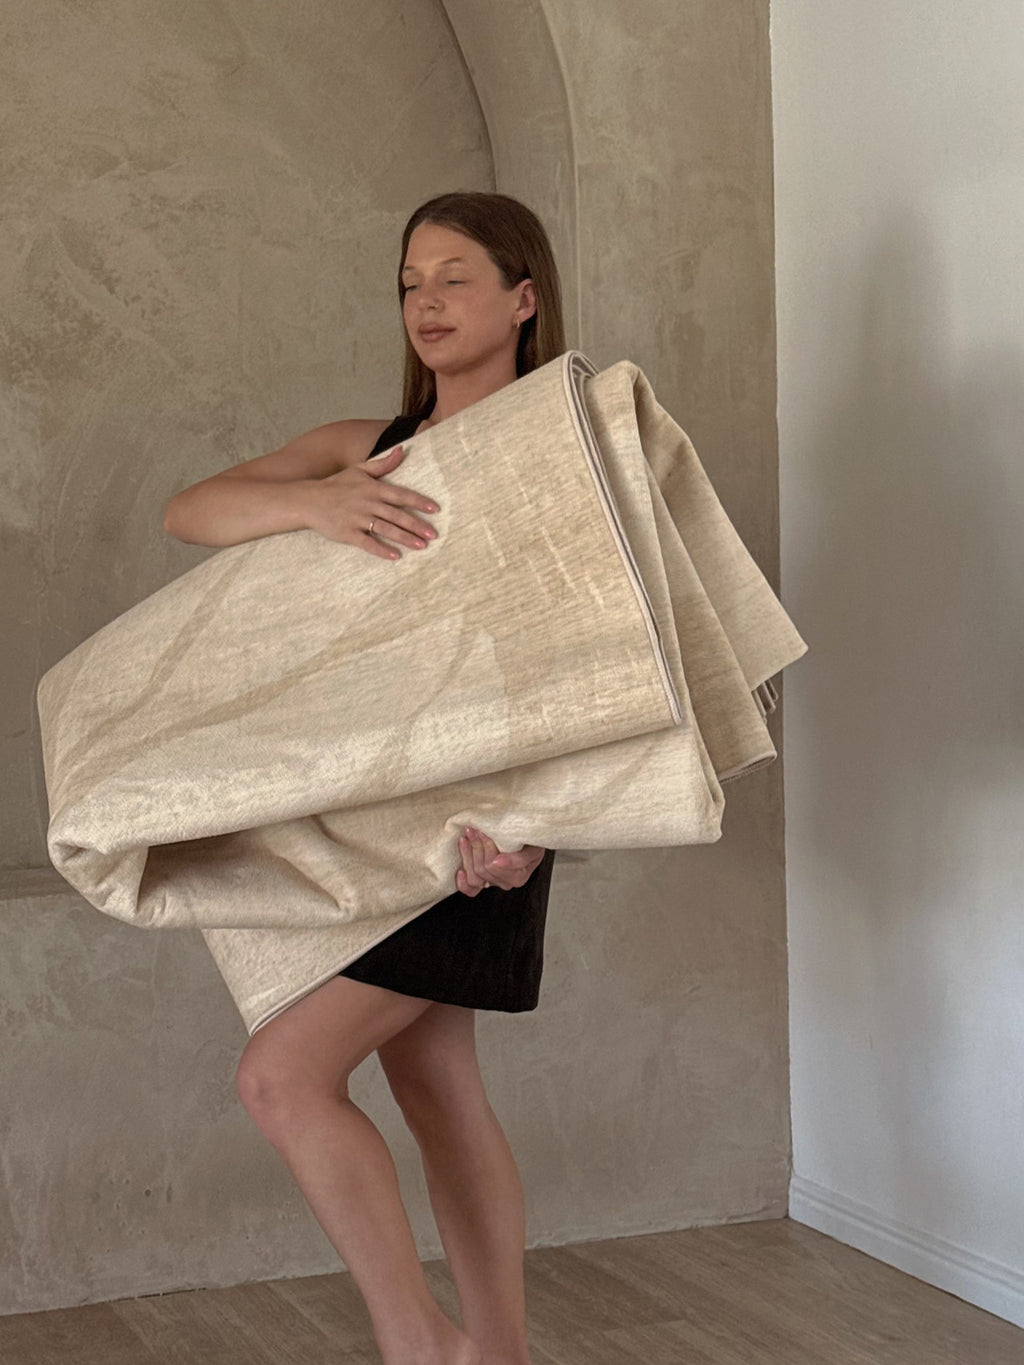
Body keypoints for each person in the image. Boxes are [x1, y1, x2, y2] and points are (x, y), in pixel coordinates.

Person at [162, 191, 567, 1365]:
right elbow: (190, 511)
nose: (426, 302)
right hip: (374, 818)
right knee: (437, 1086)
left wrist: (537, 826)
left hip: (482, 828)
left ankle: (421, 1349)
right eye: (408, 283)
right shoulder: (368, 444)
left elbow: (588, 659)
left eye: (454, 277)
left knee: (281, 1080)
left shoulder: (560, 456)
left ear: (522, 298)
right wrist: (316, 500)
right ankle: (495, 1355)